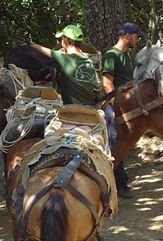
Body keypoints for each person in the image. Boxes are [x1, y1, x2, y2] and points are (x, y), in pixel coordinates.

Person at [102, 22, 144, 198]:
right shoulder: (112, 55)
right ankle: (116, 184)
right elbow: (107, 81)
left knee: (125, 140)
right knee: (114, 140)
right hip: (116, 104)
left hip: (128, 104)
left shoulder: (126, 55)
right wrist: (114, 103)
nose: (138, 40)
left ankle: (121, 182)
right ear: (127, 36)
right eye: (136, 36)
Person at [32, 24, 101, 107]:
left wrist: (31, 45)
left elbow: (38, 48)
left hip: (73, 107)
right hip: (91, 106)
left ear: (65, 40)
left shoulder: (64, 58)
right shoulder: (89, 61)